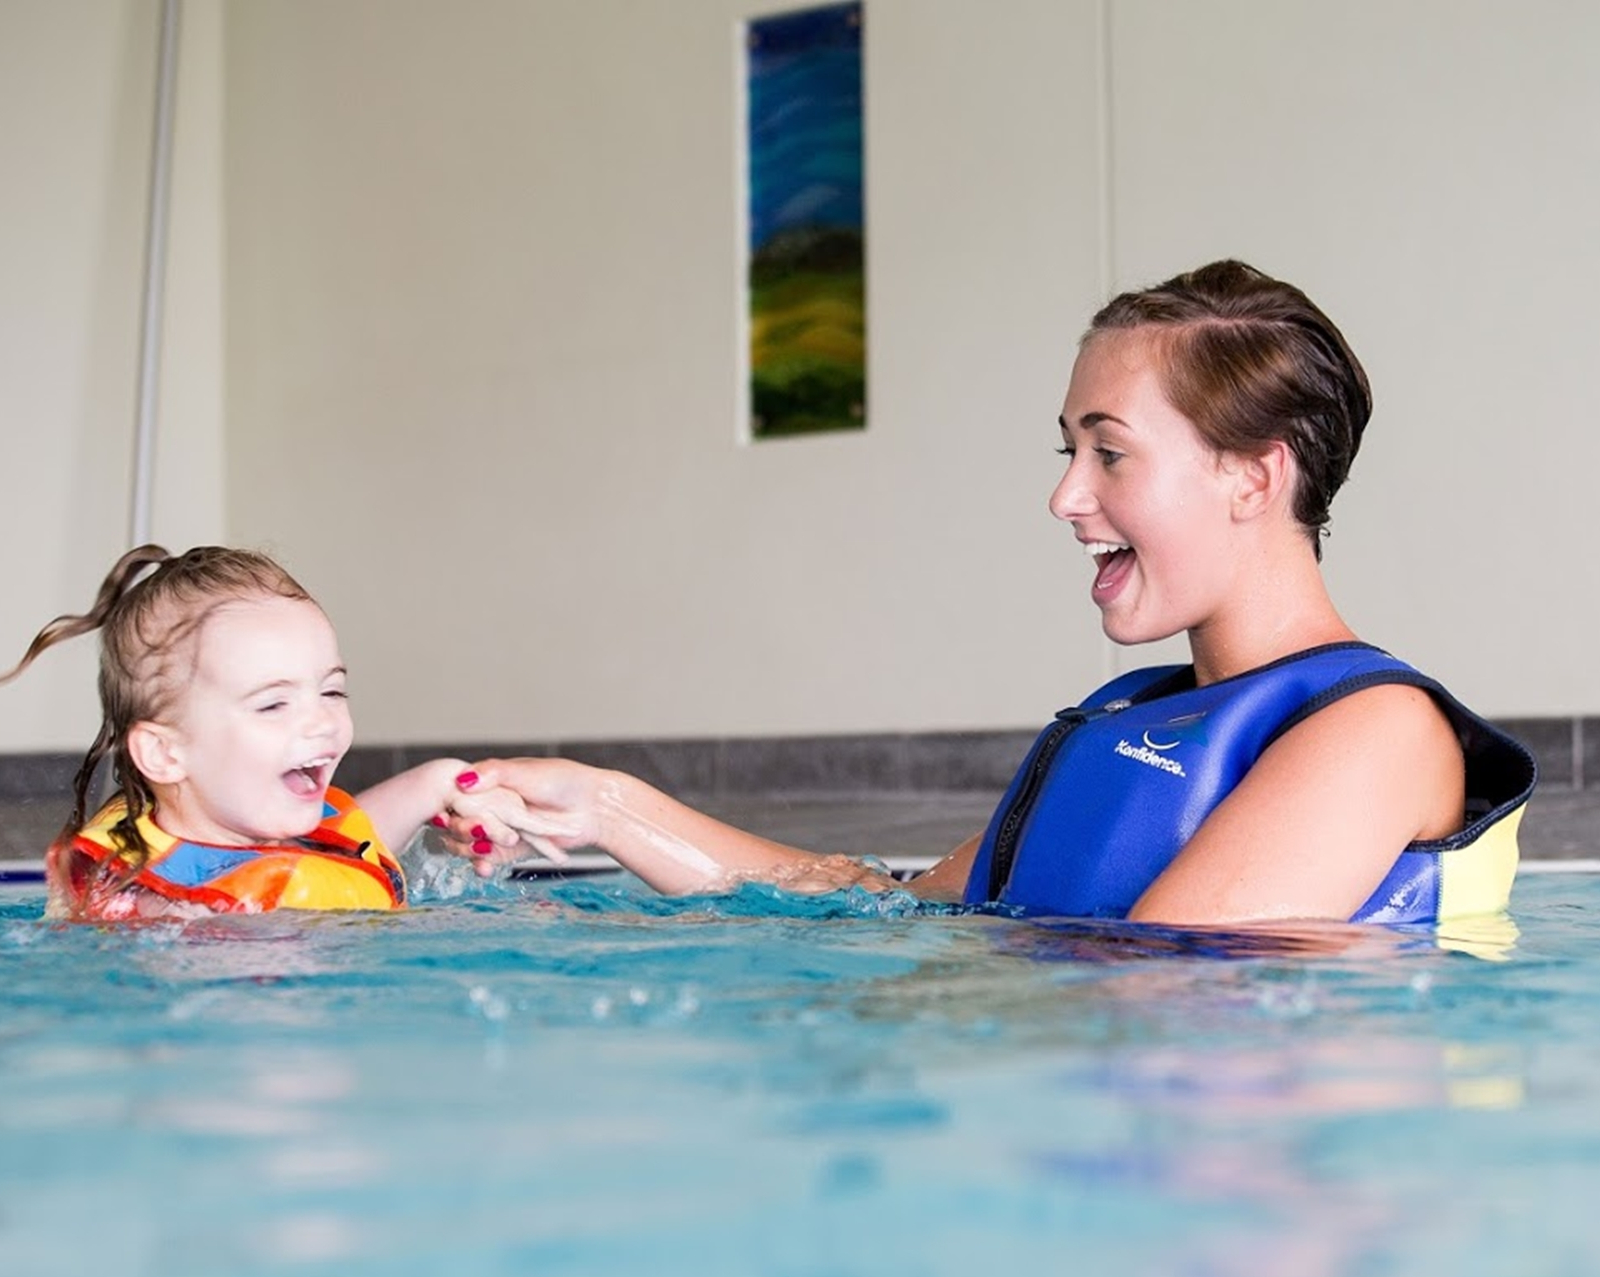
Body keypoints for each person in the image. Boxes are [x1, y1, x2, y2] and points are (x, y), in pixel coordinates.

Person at [464, 261, 1536, 926]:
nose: (1065, 495)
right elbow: (880, 911)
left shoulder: (1375, 733)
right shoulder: (1127, 720)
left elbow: (1180, 1001)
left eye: (1109, 454)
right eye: (1068, 449)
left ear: (1253, 477)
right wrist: (609, 808)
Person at [1, 544, 538, 919]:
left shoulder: (255, 821)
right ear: (165, 754)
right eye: (274, 703)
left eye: (331, 691)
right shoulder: (156, 905)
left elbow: (342, 840)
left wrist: (439, 783)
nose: (321, 719)